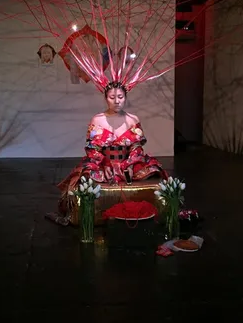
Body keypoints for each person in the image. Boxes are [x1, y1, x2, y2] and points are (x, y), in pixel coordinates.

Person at [48, 81, 168, 225]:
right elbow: (93, 149)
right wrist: (105, 164)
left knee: (154, 170)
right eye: (112, 97)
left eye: (120, 97)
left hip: (127, 164)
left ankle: (158, 214)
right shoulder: (97, 119)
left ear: (125, 97)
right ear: (106, 98)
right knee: (84, 175)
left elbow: (136, 147)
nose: (117, 101)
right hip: (103, 163)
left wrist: (130, 164)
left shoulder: (133, 119)